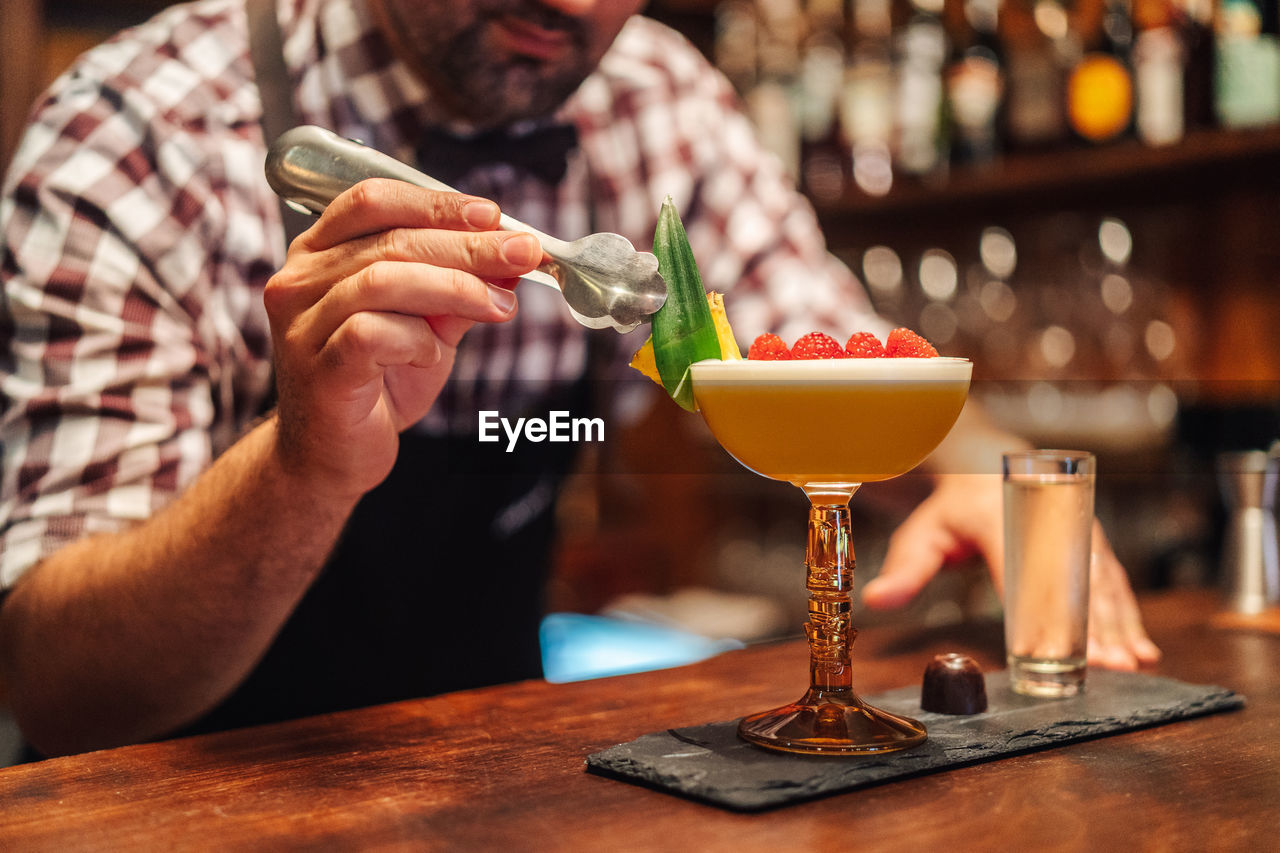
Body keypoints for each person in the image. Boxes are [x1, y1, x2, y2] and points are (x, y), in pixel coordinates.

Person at [0, 0, 1159, 758]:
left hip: (507, 782)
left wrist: (973, 479)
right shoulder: (138, 134)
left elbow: (809, 354)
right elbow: (55, 684)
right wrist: (303, 466)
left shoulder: (652, 99)